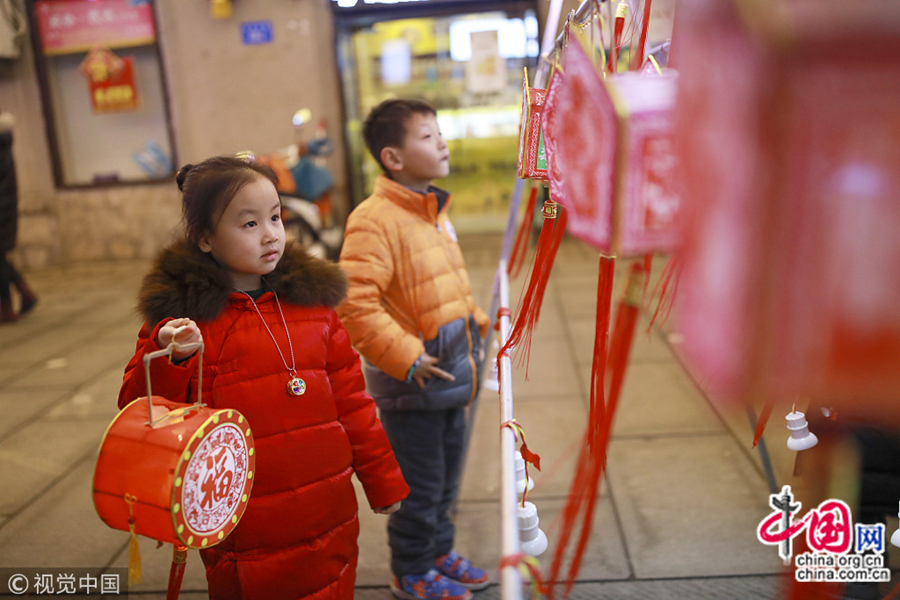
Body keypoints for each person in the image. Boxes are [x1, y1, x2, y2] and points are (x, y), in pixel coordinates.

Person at [117, 155, 409, 600]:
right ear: (205, 239)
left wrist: (382, 478)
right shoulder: (185, 320)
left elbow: (352, 401)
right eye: (249, 224)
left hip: (327, 508)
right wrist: (169, 356)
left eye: (275, 216)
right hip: (244, 520)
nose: (271, 233)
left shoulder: (314, 309)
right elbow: (139, 410)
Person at [337, 99, 491, 600]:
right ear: (393, 158)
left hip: (450, 378)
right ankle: (411, 568)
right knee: (419, 489)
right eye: (427, 136)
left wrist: (480, 327)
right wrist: (406, 357)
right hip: (415, 386)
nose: (442, 142)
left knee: (446, 484)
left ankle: (438, 552)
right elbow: (355, 303)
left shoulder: (431, 211)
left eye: (440, 132)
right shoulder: (374, 220)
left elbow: (448, 287)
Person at [0, 110, 38, 323]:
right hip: (5, 209)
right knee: (1, 258)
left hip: (2, 210)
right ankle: (25, 293)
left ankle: (6, 308)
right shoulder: (4, 142)